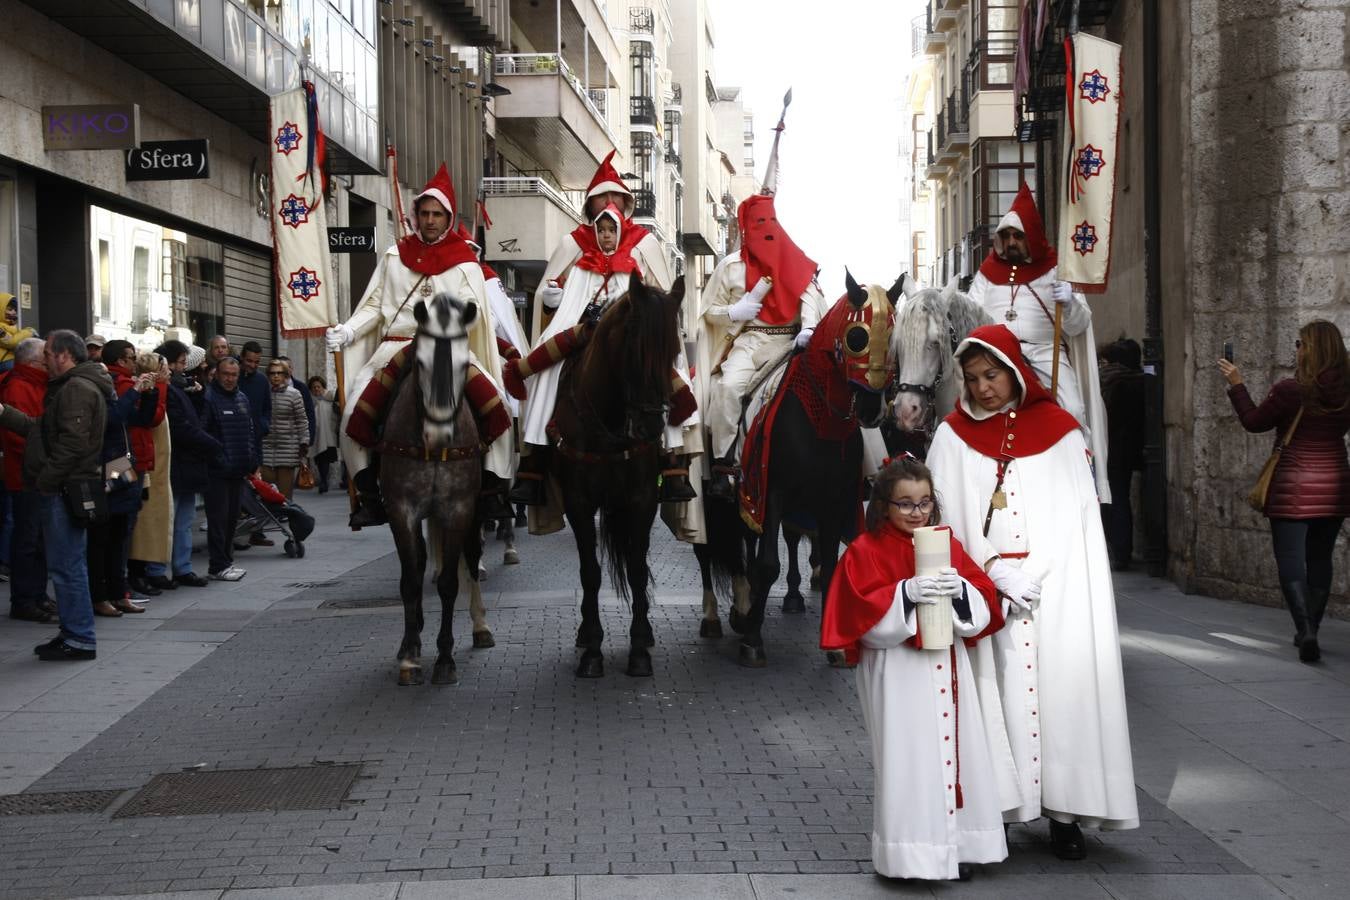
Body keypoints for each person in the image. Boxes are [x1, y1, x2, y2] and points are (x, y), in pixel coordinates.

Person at [926, 323, 1138, 859]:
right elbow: (937, 516)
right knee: (990, 700)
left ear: (1015, 371)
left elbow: (1078, 519)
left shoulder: (1062, 431)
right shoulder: (951, 435)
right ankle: (993, 813)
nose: (982, 389)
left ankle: (1064, 814)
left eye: (991, 374)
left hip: (1055, 590)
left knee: (1060, 698)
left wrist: (1038, 572)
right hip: (984, 591)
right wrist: (992, 568)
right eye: (971, 378)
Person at [821, 456, 1007, 880]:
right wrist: (906, 594)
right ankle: (911, 857)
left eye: (924, 503)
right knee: (910, 760)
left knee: (959, 754)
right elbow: (858, 616)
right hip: (898, 669)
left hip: (947, 665)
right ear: (884, 504)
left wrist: (960, 589)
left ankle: (959, 848)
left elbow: (982, 599)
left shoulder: (946, 543)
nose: (916, 512)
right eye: (905, 504)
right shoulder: (864, 551)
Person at [325, 162, 513, 528]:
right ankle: (369, 493)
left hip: (448, 348)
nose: (430, 220)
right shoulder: (394, 257)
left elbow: (474, 315)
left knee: (499, 408)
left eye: (437, 214)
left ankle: (492, 489)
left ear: (447, 217)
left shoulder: (465, 264)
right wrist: (347, 331)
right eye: (424, 213)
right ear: (416, 215)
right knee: (352, 416)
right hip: (395, 346)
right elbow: (374, 307)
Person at [507, 151, 689, 506]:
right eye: (600, 203)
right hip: (580, 331)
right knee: (545, 372)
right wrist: (552, 298)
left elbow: (660, 293)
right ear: (590, 208)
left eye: (615, 200)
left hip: (633, 335)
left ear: (625, 204)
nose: (608, 210)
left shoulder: (644, 245)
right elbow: (551, 296)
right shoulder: (573, 247)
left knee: (658, 372)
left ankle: (672, 460)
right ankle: (535, 461)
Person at [967, 183, 1110, 500]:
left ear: (1030, 236)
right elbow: (972, 317)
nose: (1013, 242)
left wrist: (1070, 301)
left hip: (1046, 353)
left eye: (1019, 236)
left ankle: (1080, 471)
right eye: (1007, 237)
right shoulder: (986, 275)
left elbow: (1078, 325)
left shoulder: (1056, 270)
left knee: (1071, 405)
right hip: (997, 358)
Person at [1219, 320, 1350, 663]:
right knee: (1321, 557)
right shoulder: (1346, 392)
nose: (1297, 349)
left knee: (1291, 559)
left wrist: (1237, 384)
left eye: (1300, 343)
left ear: (1312, 349)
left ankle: (1305, 629)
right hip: (1335, 484)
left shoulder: (1291, 391)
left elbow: (1254, 421)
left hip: (1293, 483)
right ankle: (1311, 630)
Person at [0, 329, 110, 660]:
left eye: (48, 353)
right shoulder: (71, 387)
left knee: (67, 566)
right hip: (66, 486)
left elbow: (73, 444)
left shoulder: (76, 388)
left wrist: (46, 480)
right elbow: (40, 428)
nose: (45, 359)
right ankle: (74, 633)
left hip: (64, 488)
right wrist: (4, 413)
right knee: (66, 564)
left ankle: (78, 637)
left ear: (63, 355)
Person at [87, 340, 159, 616]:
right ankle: (102, 595)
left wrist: (150, 393)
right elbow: (115, 418)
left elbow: (141, 418)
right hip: (107, 462)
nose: (134, 362)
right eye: (131, 357)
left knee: (121, 530)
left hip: (122, 461)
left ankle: (119, 592)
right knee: (105, 534)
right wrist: (136, 391)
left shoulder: (125, 383)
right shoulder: (113, 383)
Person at [150, 341, 219, 588]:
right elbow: (181, 427)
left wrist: (198, 395)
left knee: (183, 519)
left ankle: (182, 567)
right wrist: (210, 443)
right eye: (179, 363)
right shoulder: (166, 390)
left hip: (187, 463)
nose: (182, 368)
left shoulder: (180, 388)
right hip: (175, 462)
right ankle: (160, 568)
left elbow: (193, 419)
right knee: (170, 519)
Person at [1, 337, 53, 623]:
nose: (50, 359)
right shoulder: (19, 386)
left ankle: (36, 595)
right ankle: (24, 599)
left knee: (39, 539)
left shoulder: (37, 383)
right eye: (45, 355)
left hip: (37, 473)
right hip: (26, 475)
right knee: (28, 540)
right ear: (33, 361)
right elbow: (17, 434)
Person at [200, 357, 256, 581]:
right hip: (217, 471)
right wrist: (218, 458)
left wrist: (252, 459)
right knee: (218, 519)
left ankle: (227, 561)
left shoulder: (242, 398)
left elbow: (250, 432)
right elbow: (202, 433)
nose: (230, 379)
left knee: (232, 518)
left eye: (234, 375)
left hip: (239, 469)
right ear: (217, 374)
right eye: (226, 374)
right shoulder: (208, 398)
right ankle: (218, 565)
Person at [124, 350, 173, 598]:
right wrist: (160, 387)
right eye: (165, 368)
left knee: (149, 521)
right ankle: (137, 573)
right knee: (143, 523)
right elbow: (153, 417)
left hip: (155, 465)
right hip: (146, 465)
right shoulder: (148, 392)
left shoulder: (156, 390)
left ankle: (143, 570)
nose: (170, 372)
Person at [1099, 339, 1147, 569]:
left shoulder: (1111, 381)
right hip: (1134, 448)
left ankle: (1118, 551)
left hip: (1111, 448)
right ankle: (1122, 551)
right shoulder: (1142, 380)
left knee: (1113, 500)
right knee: (1121, 498)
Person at [260, 358, 308, 499]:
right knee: (267, 488)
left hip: (288, 448)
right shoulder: (263, 393)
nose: (276, 376)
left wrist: (304, 441)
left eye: (279, 373)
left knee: (285, 494)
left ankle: (287, 515)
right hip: (266, 446)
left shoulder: (294, 394)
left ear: (285, 375)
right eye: (272, 373)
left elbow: (301, 420)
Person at [307, 376, 339, 493]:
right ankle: (323, 481)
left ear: (322, 387)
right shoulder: (311, 401)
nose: (316, 389)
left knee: (325, 459)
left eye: (318, 387)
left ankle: (324, 481)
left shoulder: (330, 398)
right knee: (319, 460)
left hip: (328, 435)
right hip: (316, 436)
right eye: (314, 387)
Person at [276, 354, 316, 446]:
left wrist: (308, 439)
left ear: (291, 369)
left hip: (297, 439)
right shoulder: (269, 387)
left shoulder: (302, 388)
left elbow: (309, 413)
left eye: (288, 367)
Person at [0, 295, 35, 374]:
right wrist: (29, 332)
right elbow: (11, 342)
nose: (14, 312)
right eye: (10, 309)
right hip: (5, 362)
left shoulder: (10, 326)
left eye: (15, 310)